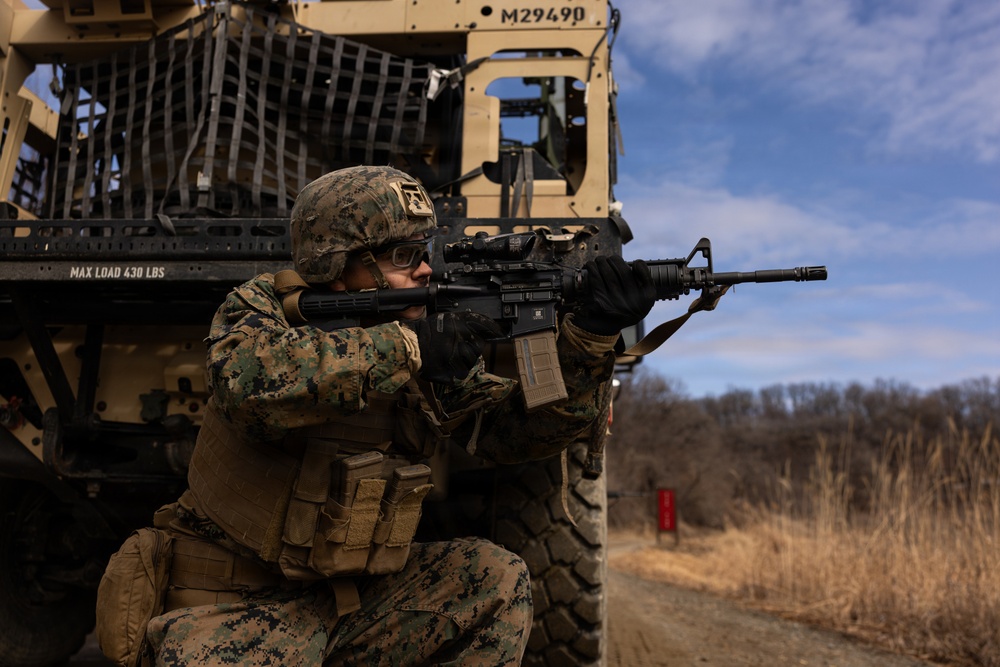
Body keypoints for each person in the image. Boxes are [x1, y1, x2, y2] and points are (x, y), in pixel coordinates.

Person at [96, 165, 655, 666]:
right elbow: (250, 383)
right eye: (403, 257)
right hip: (231, 608)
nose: (424, 271)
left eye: (424, 252)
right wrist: (409, 348)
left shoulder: (422, 329)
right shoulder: (261, 307)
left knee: (495, 579)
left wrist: (589, 342)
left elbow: (509, 435)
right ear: (338, 264)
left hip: (349, 609)